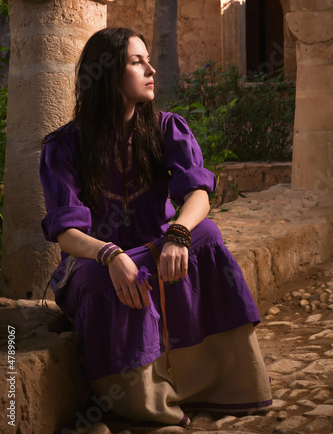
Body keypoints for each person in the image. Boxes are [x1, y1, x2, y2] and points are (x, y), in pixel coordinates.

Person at [40, 27, 272, 427]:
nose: (151, 70)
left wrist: (178, 234)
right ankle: (144, 400)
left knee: (208, 236)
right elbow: (67, 232)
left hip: (156, 248)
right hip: (96, 263)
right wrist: (109, 253)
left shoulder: (167, 128)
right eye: (136, 62)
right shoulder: (64, 146)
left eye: (148, 60)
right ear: (108, 73)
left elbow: (199, 192)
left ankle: (221, 381)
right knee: (101, 279)